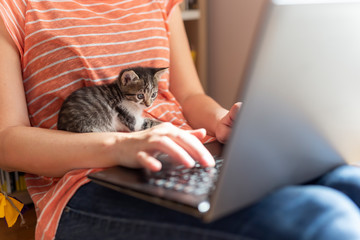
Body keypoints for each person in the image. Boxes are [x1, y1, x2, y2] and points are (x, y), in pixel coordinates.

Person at [1, 0, 360, 239]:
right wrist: (120, 144)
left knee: (350, 182)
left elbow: (189, 97)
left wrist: (222, 120)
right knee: (322, 218)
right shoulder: (14, 7)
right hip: (88, 183)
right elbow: (6, 139)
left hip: (193, 153)